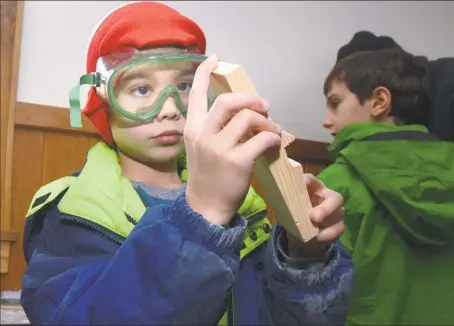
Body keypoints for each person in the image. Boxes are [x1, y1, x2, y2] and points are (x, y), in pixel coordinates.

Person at [20, 2, 354, 325]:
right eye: (140, 89)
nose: (169, 109)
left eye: (183, 86)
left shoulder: (244, 205)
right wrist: (203, 214)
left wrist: (302, 256)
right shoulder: (73, 210)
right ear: (102, 102)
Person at [317, 48, 454, 325]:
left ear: (379, 101)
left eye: (335, 103)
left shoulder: (337, 183)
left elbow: (311, 295)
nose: (326, 120)